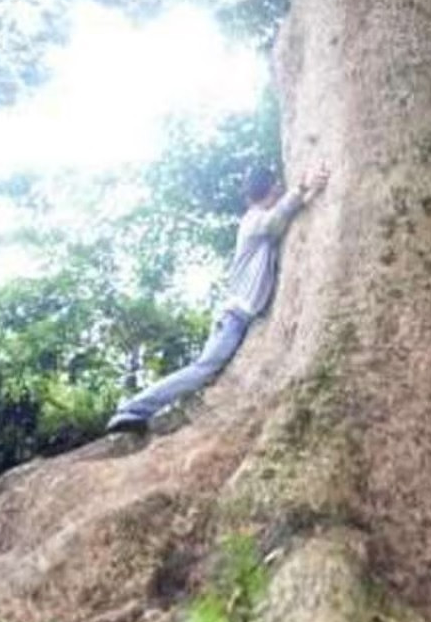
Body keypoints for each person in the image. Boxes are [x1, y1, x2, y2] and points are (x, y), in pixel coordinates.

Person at [106, 163, 329, 433]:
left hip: (238, 318)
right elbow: (274, 221)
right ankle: (132, 409)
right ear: (274, 189)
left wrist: (310, 192)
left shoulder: (262, 224)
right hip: (233, 317)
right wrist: (302, 185)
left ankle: (139, 409)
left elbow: (285, 219)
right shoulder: (253, 220)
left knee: (206, 369)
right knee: (204, 368)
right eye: (278, 187)